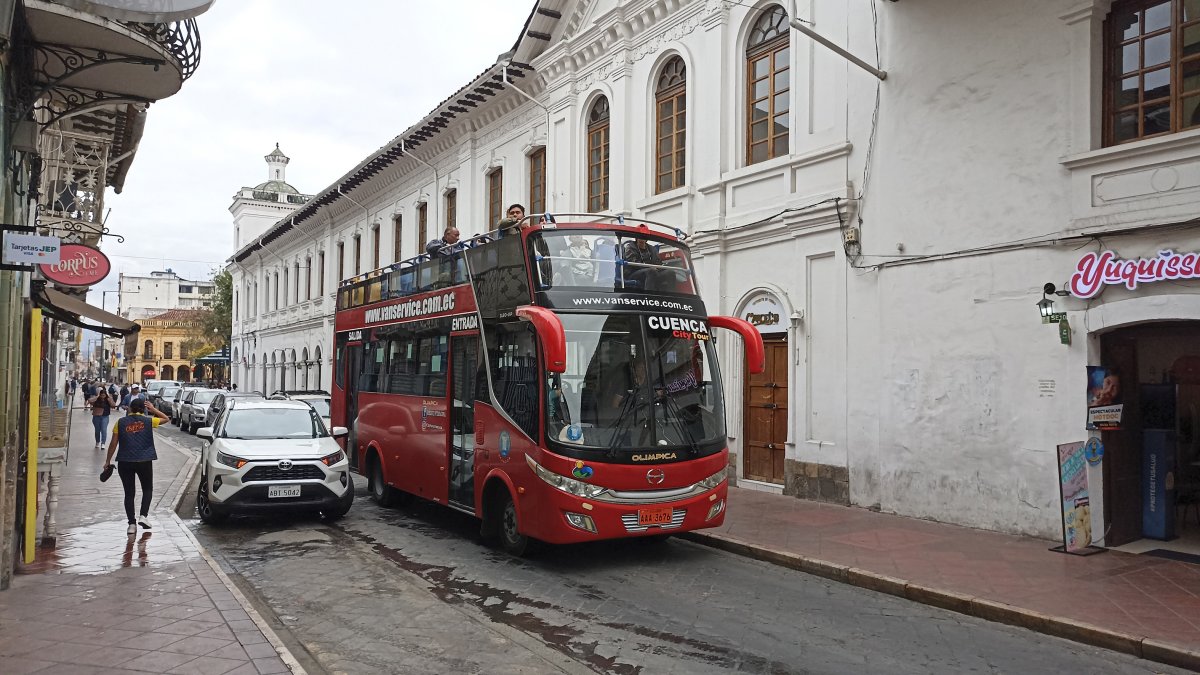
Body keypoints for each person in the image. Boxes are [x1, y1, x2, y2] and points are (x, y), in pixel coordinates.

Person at [103, 398, 169, 535]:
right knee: (147, 489)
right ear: (144, 409)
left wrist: (108, 461)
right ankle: (143, 516)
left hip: (125, 461)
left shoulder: (120, 423)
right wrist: (153, 409)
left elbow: (113, 443)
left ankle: (131, 524)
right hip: (144, 460)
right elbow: (166, 418)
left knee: (129, 493)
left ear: (130, 409)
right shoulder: (149, 421)